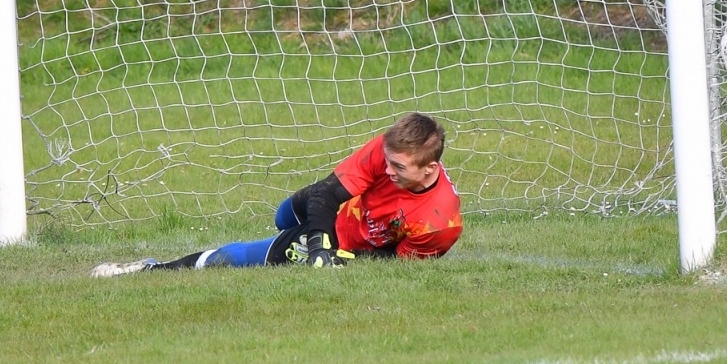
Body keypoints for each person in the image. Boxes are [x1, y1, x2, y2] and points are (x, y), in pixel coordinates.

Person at [90, 112, 462, 275]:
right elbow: (326, 193)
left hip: (351, 240)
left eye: (399, 168)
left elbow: (393, 266)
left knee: (237, 258)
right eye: (388, 162)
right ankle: (303, 232)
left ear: (429, 169)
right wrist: (319, 245)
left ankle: (151, 267)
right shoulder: (388, 150)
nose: (389, 169)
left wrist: (332, 256)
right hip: (334, 212)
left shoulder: (439, 225)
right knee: (284, 214)